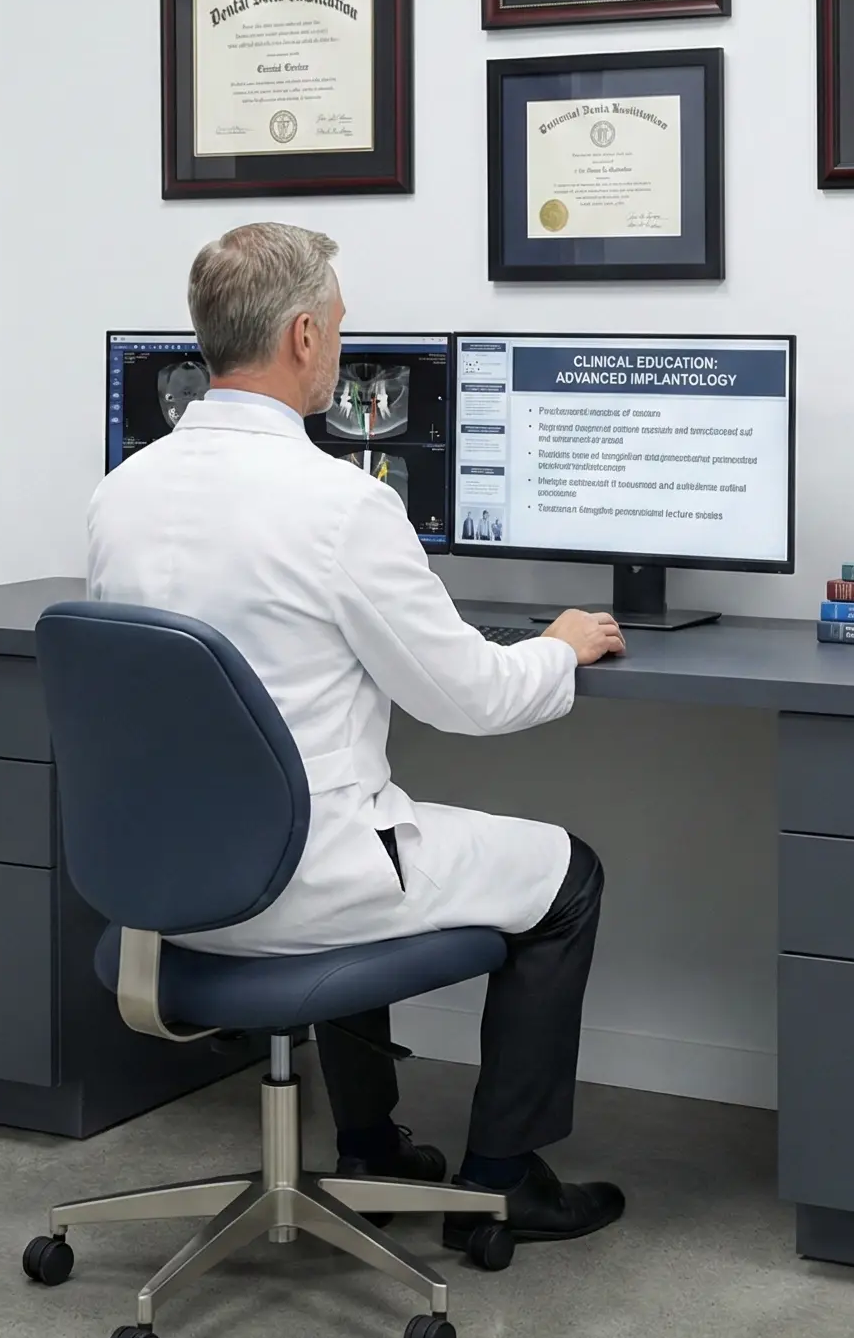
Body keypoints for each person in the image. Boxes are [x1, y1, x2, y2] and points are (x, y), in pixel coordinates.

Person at [87, 222, 628, 1245]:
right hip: (305, 885)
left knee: (365, 820)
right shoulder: (343, 503)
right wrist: (559, 643)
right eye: (336, 323)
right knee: (568, 876)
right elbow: (470, 696)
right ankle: (500, 1179)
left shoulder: (120, 494)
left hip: (160, 900)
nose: (338, 341)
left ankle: (373, 1143)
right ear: (301, 335)